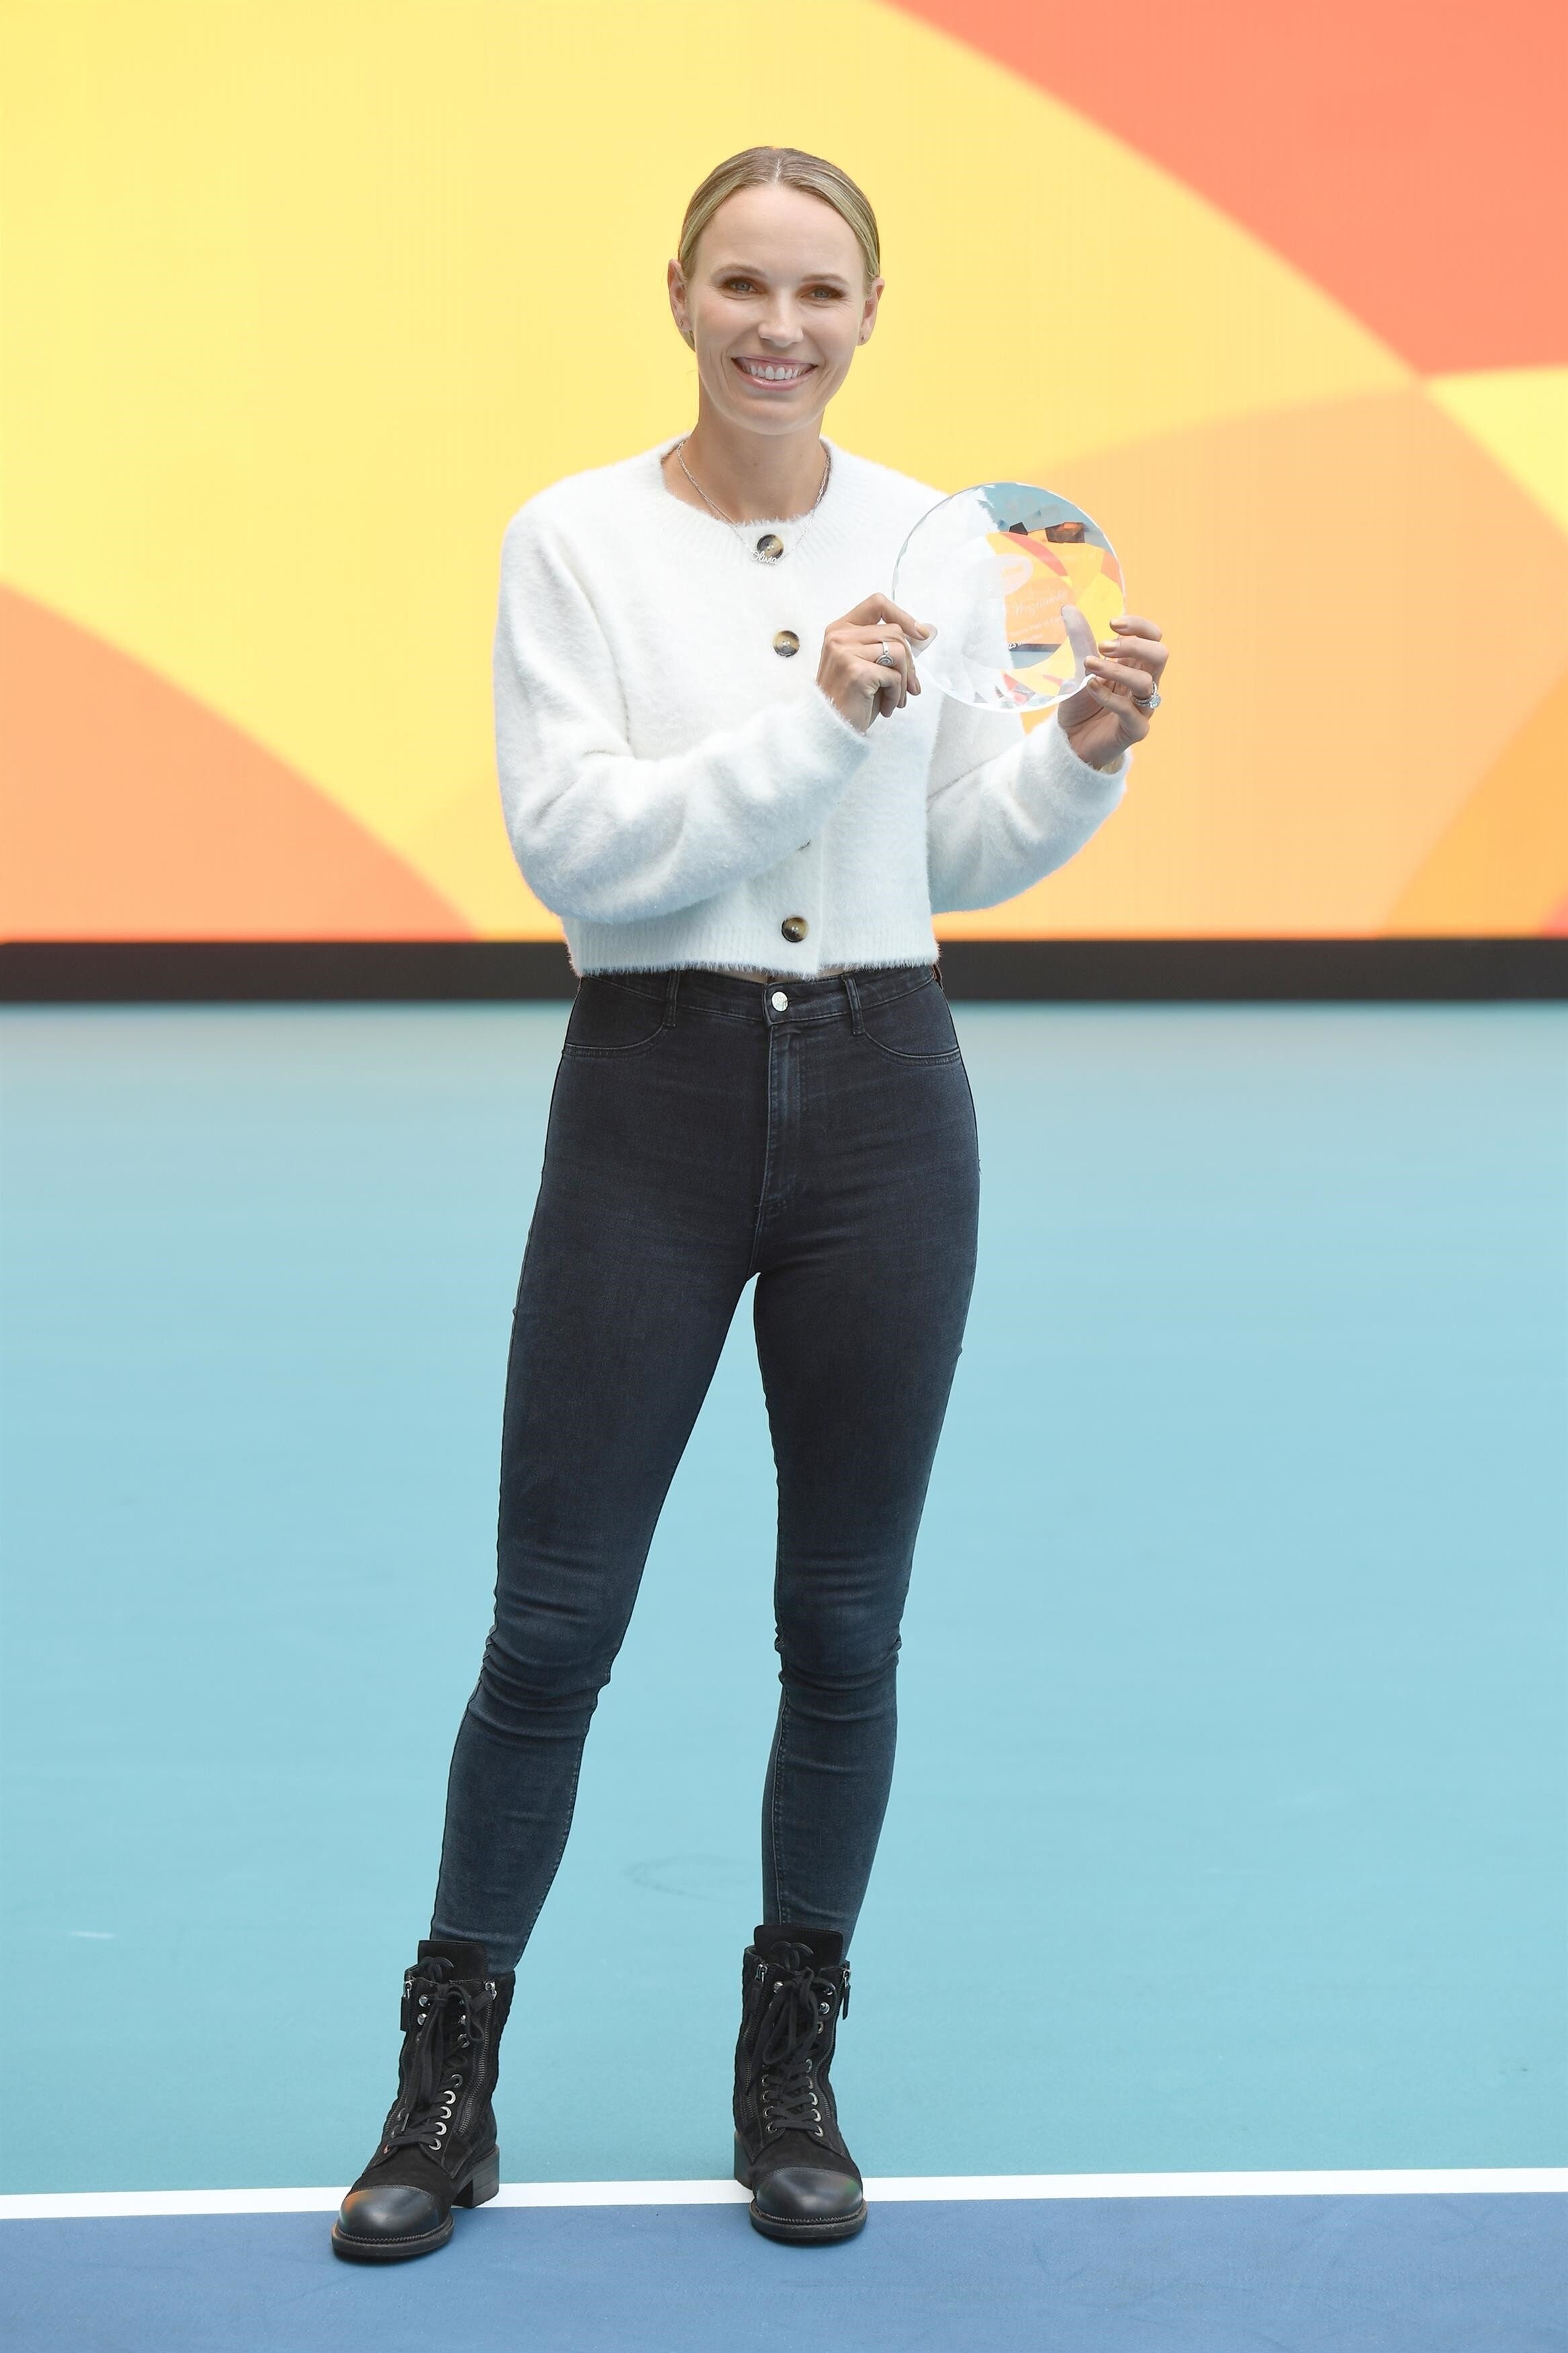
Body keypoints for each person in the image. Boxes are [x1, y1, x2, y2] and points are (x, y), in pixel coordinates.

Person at [331, 145, 1168, 2266]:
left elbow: (944, 853)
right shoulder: (574, 541)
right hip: (653, 1097)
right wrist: (814, 721)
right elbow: (580, 848)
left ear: (870, 315)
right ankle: (446, 2082)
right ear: (679, 295)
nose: (778, 327)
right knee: (553, 1621)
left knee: (846, 1623)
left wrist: (1074, 753)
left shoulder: (938, 540)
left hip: (890, 1098)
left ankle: (789, 2068)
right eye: (742, 285)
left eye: (820, 292)